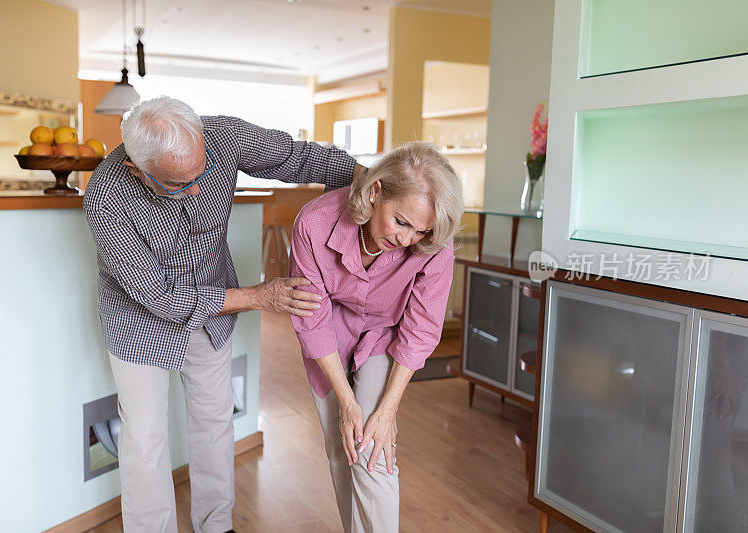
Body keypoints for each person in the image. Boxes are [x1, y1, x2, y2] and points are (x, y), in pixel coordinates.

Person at [83, 96, 364, 533]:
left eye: (203, 172)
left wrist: (373, 178)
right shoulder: (105, 197)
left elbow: (298, 158)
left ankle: (216, 526)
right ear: (139, 170)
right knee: (144, 441)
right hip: (140, 322)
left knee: (215, 420)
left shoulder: (222, 137)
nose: (197, 188)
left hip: (213, 314)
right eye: (178, 184)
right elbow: (161, 297)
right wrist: (256, 297)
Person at [289, 142, 464, 532]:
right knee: (342, 446)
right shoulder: (314, 223)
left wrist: (387, 410)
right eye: (401, 222)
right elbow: (312, 320)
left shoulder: (434, 240)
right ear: (376, 191)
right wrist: (346, 401)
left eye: (421, 230)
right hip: (330, 331)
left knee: (373, 448)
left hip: (387, 333)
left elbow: (421, 326)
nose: (408, 239)